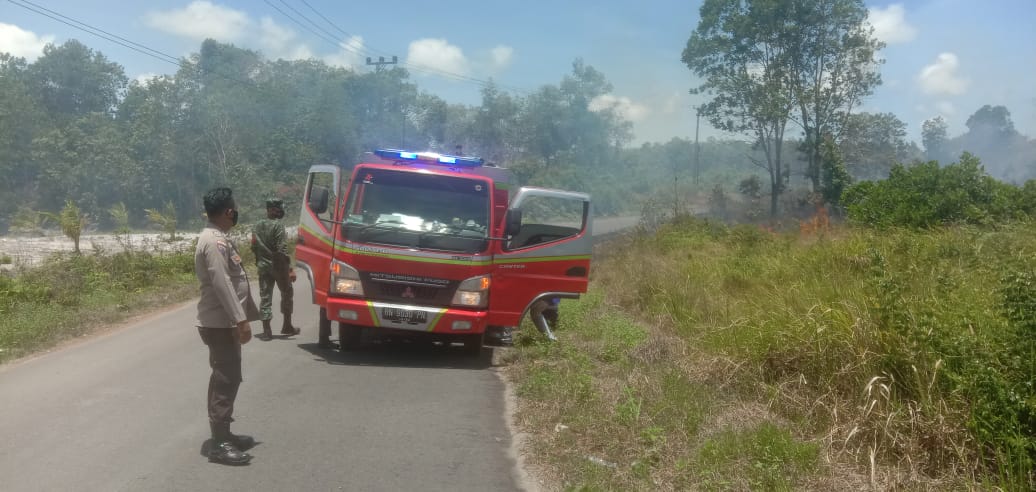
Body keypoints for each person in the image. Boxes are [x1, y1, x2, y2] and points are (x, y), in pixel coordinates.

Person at [195, 187, 260, 466]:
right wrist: (240, 319)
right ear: (228, 212)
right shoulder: (213, 242)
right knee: (226, 378)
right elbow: (221, 283)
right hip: (221, 323)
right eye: (233, 208)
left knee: (228, 376)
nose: (235, 212)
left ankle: (224, 433)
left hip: (224, 322)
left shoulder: (219, 238)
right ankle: (219, 443)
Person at [251, 197, 298, 340]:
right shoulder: (278, 226)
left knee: (265, 297)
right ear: (271, 210)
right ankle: (287, 325)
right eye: (277, 208)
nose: (280, 210)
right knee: (287, 293)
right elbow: (282, 249)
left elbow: (253, 247)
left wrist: (261, 261)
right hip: (279, 267)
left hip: (263, 267)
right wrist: (289, 269)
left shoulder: (256, 226)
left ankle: (266, 331)